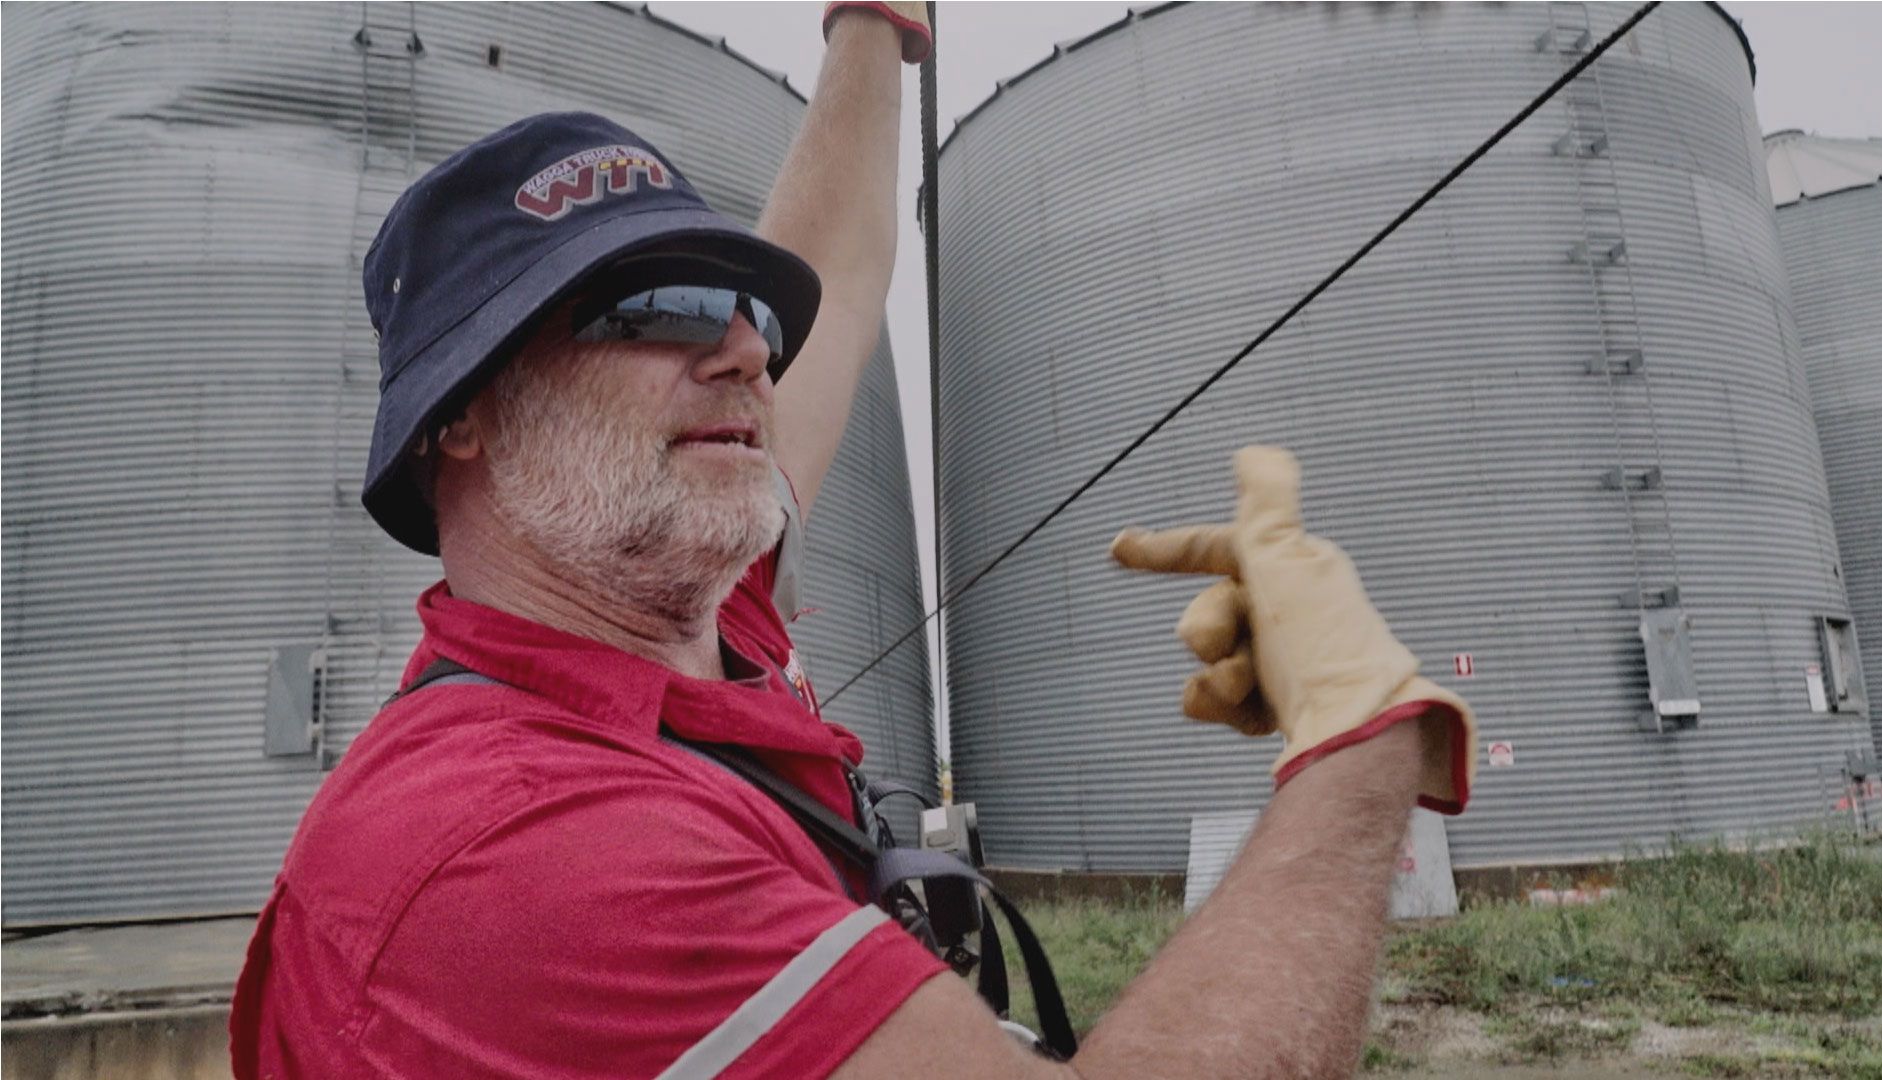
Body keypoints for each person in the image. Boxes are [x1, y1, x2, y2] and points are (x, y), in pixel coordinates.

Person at [230, 3, 1475, 1077]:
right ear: (465, 415)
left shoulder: (685, 634)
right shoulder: (505, 853)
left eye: (748, 314)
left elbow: (836, 259)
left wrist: (870, 28)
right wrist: (1360, 740)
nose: (745, 352)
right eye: (651, 307)